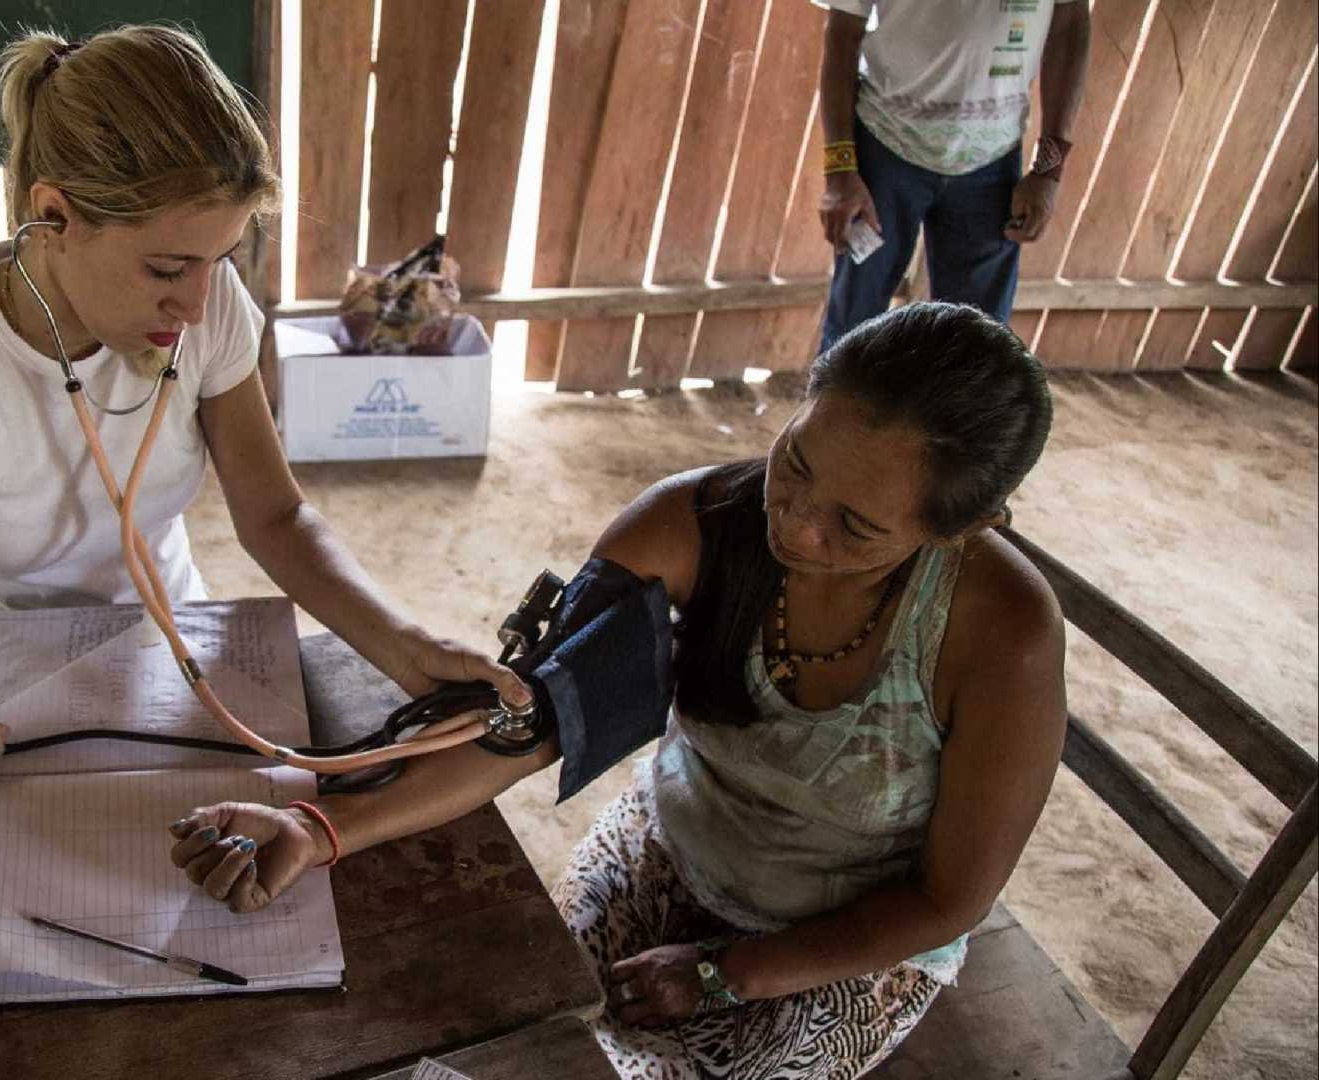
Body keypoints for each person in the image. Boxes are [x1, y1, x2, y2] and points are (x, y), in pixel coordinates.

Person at [170, 302, 1066, 1079]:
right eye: (796, 462)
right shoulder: (692, 525)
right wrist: (320, 827)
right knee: (519, 1031)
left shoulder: (1002, 637)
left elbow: (949, 900)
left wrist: (728, 973)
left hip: (848, 944)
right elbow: (530, 726)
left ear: (960, 530)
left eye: (855, 525)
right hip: (672, 846)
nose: (794, 522)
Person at [0, 24, 527, 784]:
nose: (196, 305)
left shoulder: (211, 307)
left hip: (170, 640)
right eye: (166, 267)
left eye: (218, 258)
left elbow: (275, 518)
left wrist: (401, 643)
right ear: (53, 214)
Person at [816, 0, 1091, 350]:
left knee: (977, 347)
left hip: (991, 160)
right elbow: (841, 33)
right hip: (884, 149)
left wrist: (1048, 171)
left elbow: (1069, 24)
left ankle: (951, 408)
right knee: (850, 333)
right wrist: (840, 170)